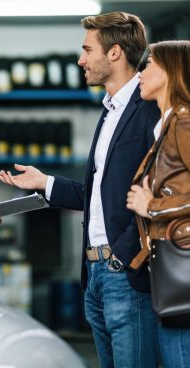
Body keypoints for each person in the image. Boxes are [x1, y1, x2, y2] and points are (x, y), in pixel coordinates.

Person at [0, 12, 160, 367]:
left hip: (125, 274)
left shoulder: (149, 110)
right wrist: (45, 183)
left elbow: (161, 190)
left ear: (114, 53)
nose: (81, 59)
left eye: (88, 50)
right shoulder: (110, 110)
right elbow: (103, 195)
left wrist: (126, 254)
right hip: (95, 275)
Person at [127, 40, 190, 368]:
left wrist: (151, 205)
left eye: (149, 63)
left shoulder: (183, 122)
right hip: (169, 270)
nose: (141, 71)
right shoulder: (167, 123)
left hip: (181, 272)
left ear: (171, 71)